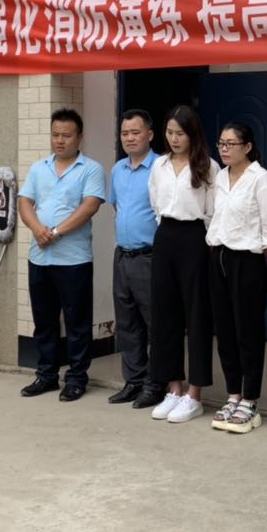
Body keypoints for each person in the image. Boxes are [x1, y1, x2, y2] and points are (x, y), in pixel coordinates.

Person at [16, 108, 106, 402]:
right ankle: (46, 376)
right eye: (55, 134)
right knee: (44, 321)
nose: (60, 140)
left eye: (66, 135)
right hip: (39, 258)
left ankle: (77, 378)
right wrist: (37, 229)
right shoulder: (38, 168)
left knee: (77, 323)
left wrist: (54, 232)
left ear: (79, 137)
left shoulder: (90, 169)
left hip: (73, 260)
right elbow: (25, 202)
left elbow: (89, 206)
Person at [205, 122, 267, 434]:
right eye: (221, 143)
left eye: (231, 144)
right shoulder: (219, 177)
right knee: (224, 330)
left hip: (247, 260)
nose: (224, 149)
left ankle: (250, 399)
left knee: (247, 331)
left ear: (247, 147)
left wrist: (257, 255)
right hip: (219, 256)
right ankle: (233, 394)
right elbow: (212, 215)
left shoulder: (261, 179)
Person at [147, 105, 219, 424]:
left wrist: (205, 242)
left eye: (180, 133)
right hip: (165, 236)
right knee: (165, 314)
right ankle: (173, 387)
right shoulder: (159, 165)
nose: (174, 139)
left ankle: (194, 393)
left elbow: (213, 209)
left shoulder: (208, 166)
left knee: (196, 314)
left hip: (195, 237)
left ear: (193, 134)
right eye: (170, 132)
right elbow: (155, 202)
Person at [107, 108, 160, 407]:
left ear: (149, 134)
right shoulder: (118, 169)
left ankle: (156, 383)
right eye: (124, 133)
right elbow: (117, 208)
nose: (129, 138)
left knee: (155, 324)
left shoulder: (161, 168)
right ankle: (134, 381)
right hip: (122, 256)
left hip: (149, 257)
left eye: (135, 132)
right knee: (127, 324)